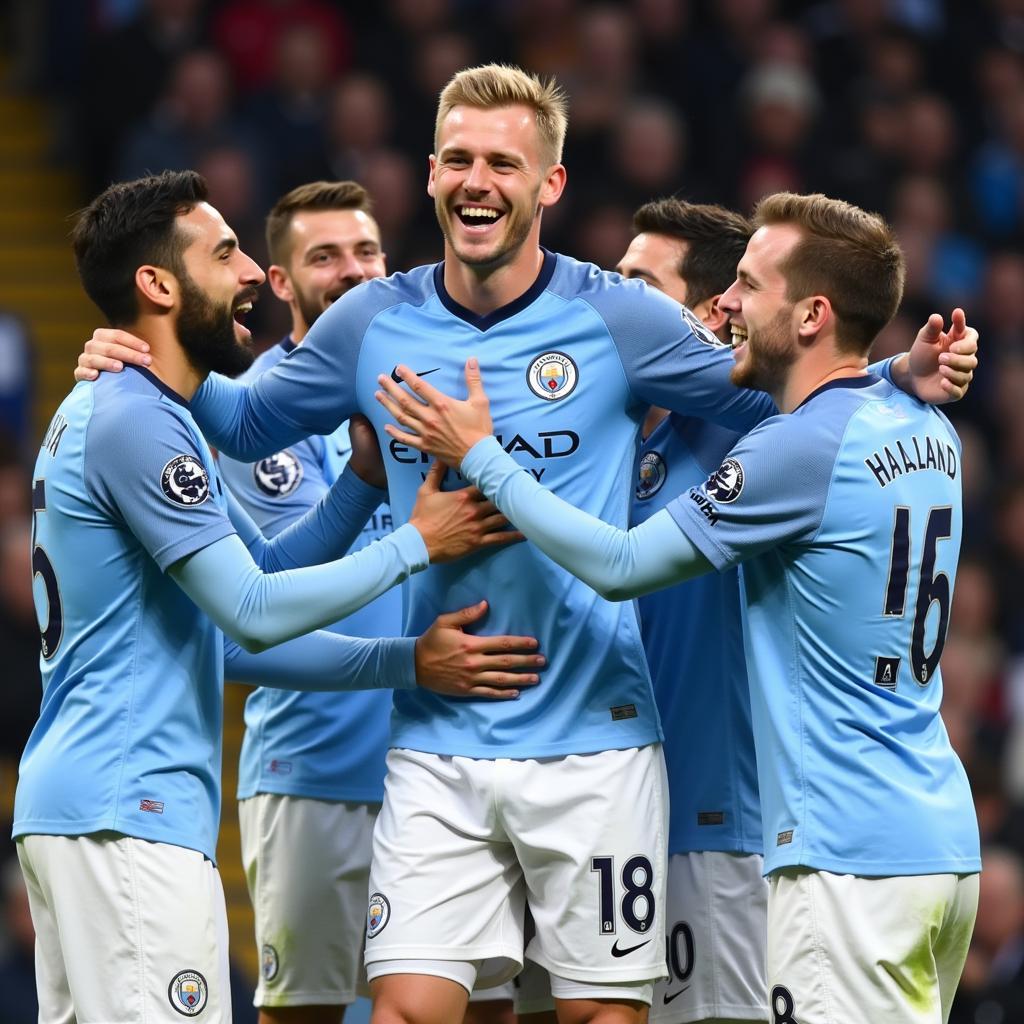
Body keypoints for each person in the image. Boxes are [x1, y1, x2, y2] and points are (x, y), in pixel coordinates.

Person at [74, 68, 974, 1024]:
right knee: (406, 1010)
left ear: (549, 185)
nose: (477, 180)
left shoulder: (620, 317)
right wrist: (140, 348)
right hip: (435, 739)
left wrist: (887, 371)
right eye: (458, 158)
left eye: (504, 162)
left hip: (597, 735)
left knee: (595, 1015)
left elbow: (776, 389)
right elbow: (249, 422)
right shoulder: (371, 322)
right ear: (428, 174)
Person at [375, 191, 982, 1024]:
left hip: (841, 846)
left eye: (748, 285)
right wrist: (896, 369)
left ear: (810, 313)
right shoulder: (920, 419)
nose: (730, 304)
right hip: (936, 834)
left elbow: (622, 565)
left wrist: (483, 456)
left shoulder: (784, 447)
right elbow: (836, 407)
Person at [19, 169, 543, 1024]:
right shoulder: (137, 419)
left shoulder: (137, 408)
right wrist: (421, 542)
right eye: (226, 254)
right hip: (127, 806)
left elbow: (240, 616)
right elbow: (256, 610)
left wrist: (363, 497)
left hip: (97, 807)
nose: (252, 275)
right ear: (157, 284)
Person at [219, 178, 513, 1024]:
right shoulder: (258, 416)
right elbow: (281, 586)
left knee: (482, 1003)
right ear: (279, 282)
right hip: (317, 770)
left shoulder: (430, 390)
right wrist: (369, 483)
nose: (352, 272)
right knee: (306, 1007)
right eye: (323, 256)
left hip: (450, 755)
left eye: (366, 252)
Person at [516, 199, 765, 1024]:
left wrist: (903, 372)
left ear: (708, 315)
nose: (612, 302)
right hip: (612, 807)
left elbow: (832, 393)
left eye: (638, 284)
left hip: (718, 817)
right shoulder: (633, 445)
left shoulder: (751, 438)